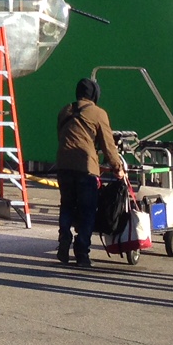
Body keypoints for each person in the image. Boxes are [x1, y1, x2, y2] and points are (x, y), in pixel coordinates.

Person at [54, 78, 125, 269]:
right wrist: (117, 167)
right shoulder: (98, 113)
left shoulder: (65, 110)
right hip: (86, 168)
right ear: (95, 94)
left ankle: (64, 237)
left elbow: (61, 135)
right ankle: (82, 253)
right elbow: (108, 145)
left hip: (63, 165)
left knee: (67, 204)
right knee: (87, 210)